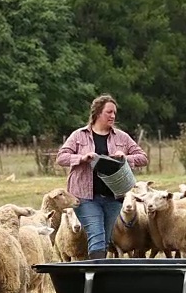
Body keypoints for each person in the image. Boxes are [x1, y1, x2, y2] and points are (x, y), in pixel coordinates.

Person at [56, 93, 148, 259]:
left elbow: (143, 158)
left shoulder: (121, 137)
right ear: (98, 113)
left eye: (114, 113)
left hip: (113, 198)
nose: (113, 116)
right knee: (97, 236)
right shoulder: (79, 136)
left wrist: (124, 157)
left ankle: (96, 279)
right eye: (109, 112)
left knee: (104, 240)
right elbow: (61, 157)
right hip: (85, 197)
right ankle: (94, 279)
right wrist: (81, 158)